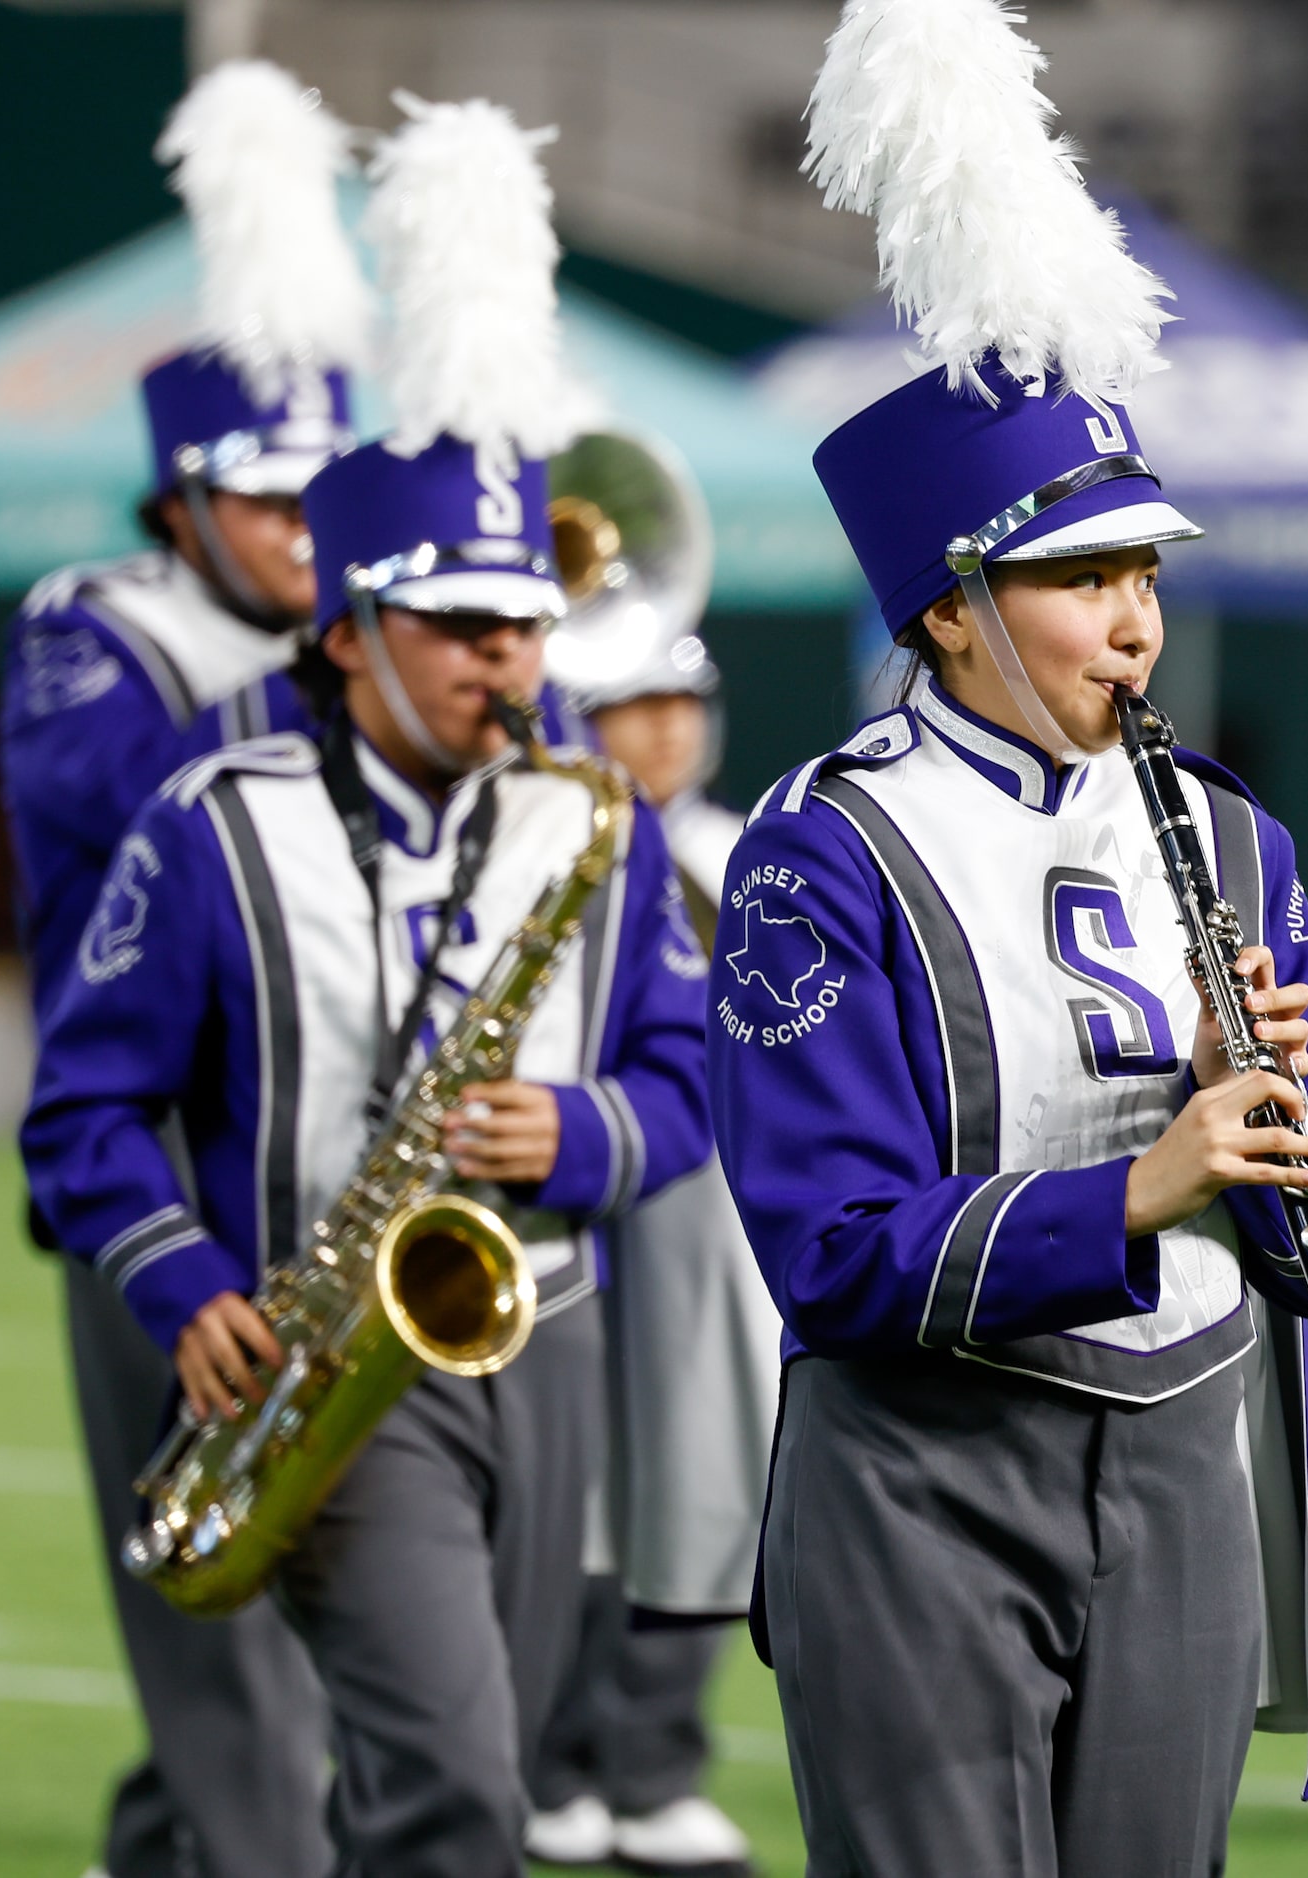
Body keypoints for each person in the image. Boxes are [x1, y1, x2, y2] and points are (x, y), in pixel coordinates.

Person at [706, 4, 1308, 1874]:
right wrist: (1139, 1188)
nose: (1134, 620)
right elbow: (830, 1255)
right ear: (946, 609)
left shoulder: (1232, 840)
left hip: (1183, 1457)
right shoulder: (822, 848)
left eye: (1144, 569)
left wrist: (1283, 1109)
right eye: (1081, 576)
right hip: (925, 1475)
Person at [22, 93, 712, 1878]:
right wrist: (174, 1274)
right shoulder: (213, 814)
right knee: (453, 1788)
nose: (513, 660)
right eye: (464, 626)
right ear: (349, 636)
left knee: (464, 1751)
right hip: (304, 1325)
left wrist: (582, 1125)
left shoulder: (587, 823)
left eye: (526, 625)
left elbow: (694, 1069)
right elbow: (83, 1099)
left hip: (535, 1328)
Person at [0, 61, 370, 1878]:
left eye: (335, 503)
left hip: (336, 1151)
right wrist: (344, 670)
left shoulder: (350, 652)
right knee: (209, 1602)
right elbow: (129, 798)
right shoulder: (93, 629)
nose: (313, 537)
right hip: (150, 1152)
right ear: (185, 498)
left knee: (341, 1599)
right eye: (276, 503)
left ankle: (169, 1849)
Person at [527, 452, 776, 1877]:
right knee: (576, 1496)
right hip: (588, 1216)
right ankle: (550, 1758)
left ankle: (656, 1761)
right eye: (632, 706)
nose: (663, 732)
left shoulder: (756, 852)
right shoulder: (551, 844)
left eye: (681, 705)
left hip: (716, 1231)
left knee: (701, 1485)